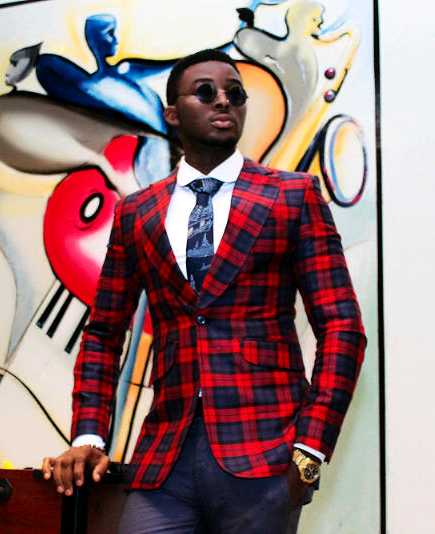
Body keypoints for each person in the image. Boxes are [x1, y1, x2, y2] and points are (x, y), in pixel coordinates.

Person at [43, 48, 366, 534]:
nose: (223, 101)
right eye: (205, 92)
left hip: (266, 451)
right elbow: (103, 334)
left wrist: (311, 447)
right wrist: (89, 435)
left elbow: (342, 326)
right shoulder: (137, 212)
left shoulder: (291, 195)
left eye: (235, 93)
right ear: (173, 113)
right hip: (164, 454)